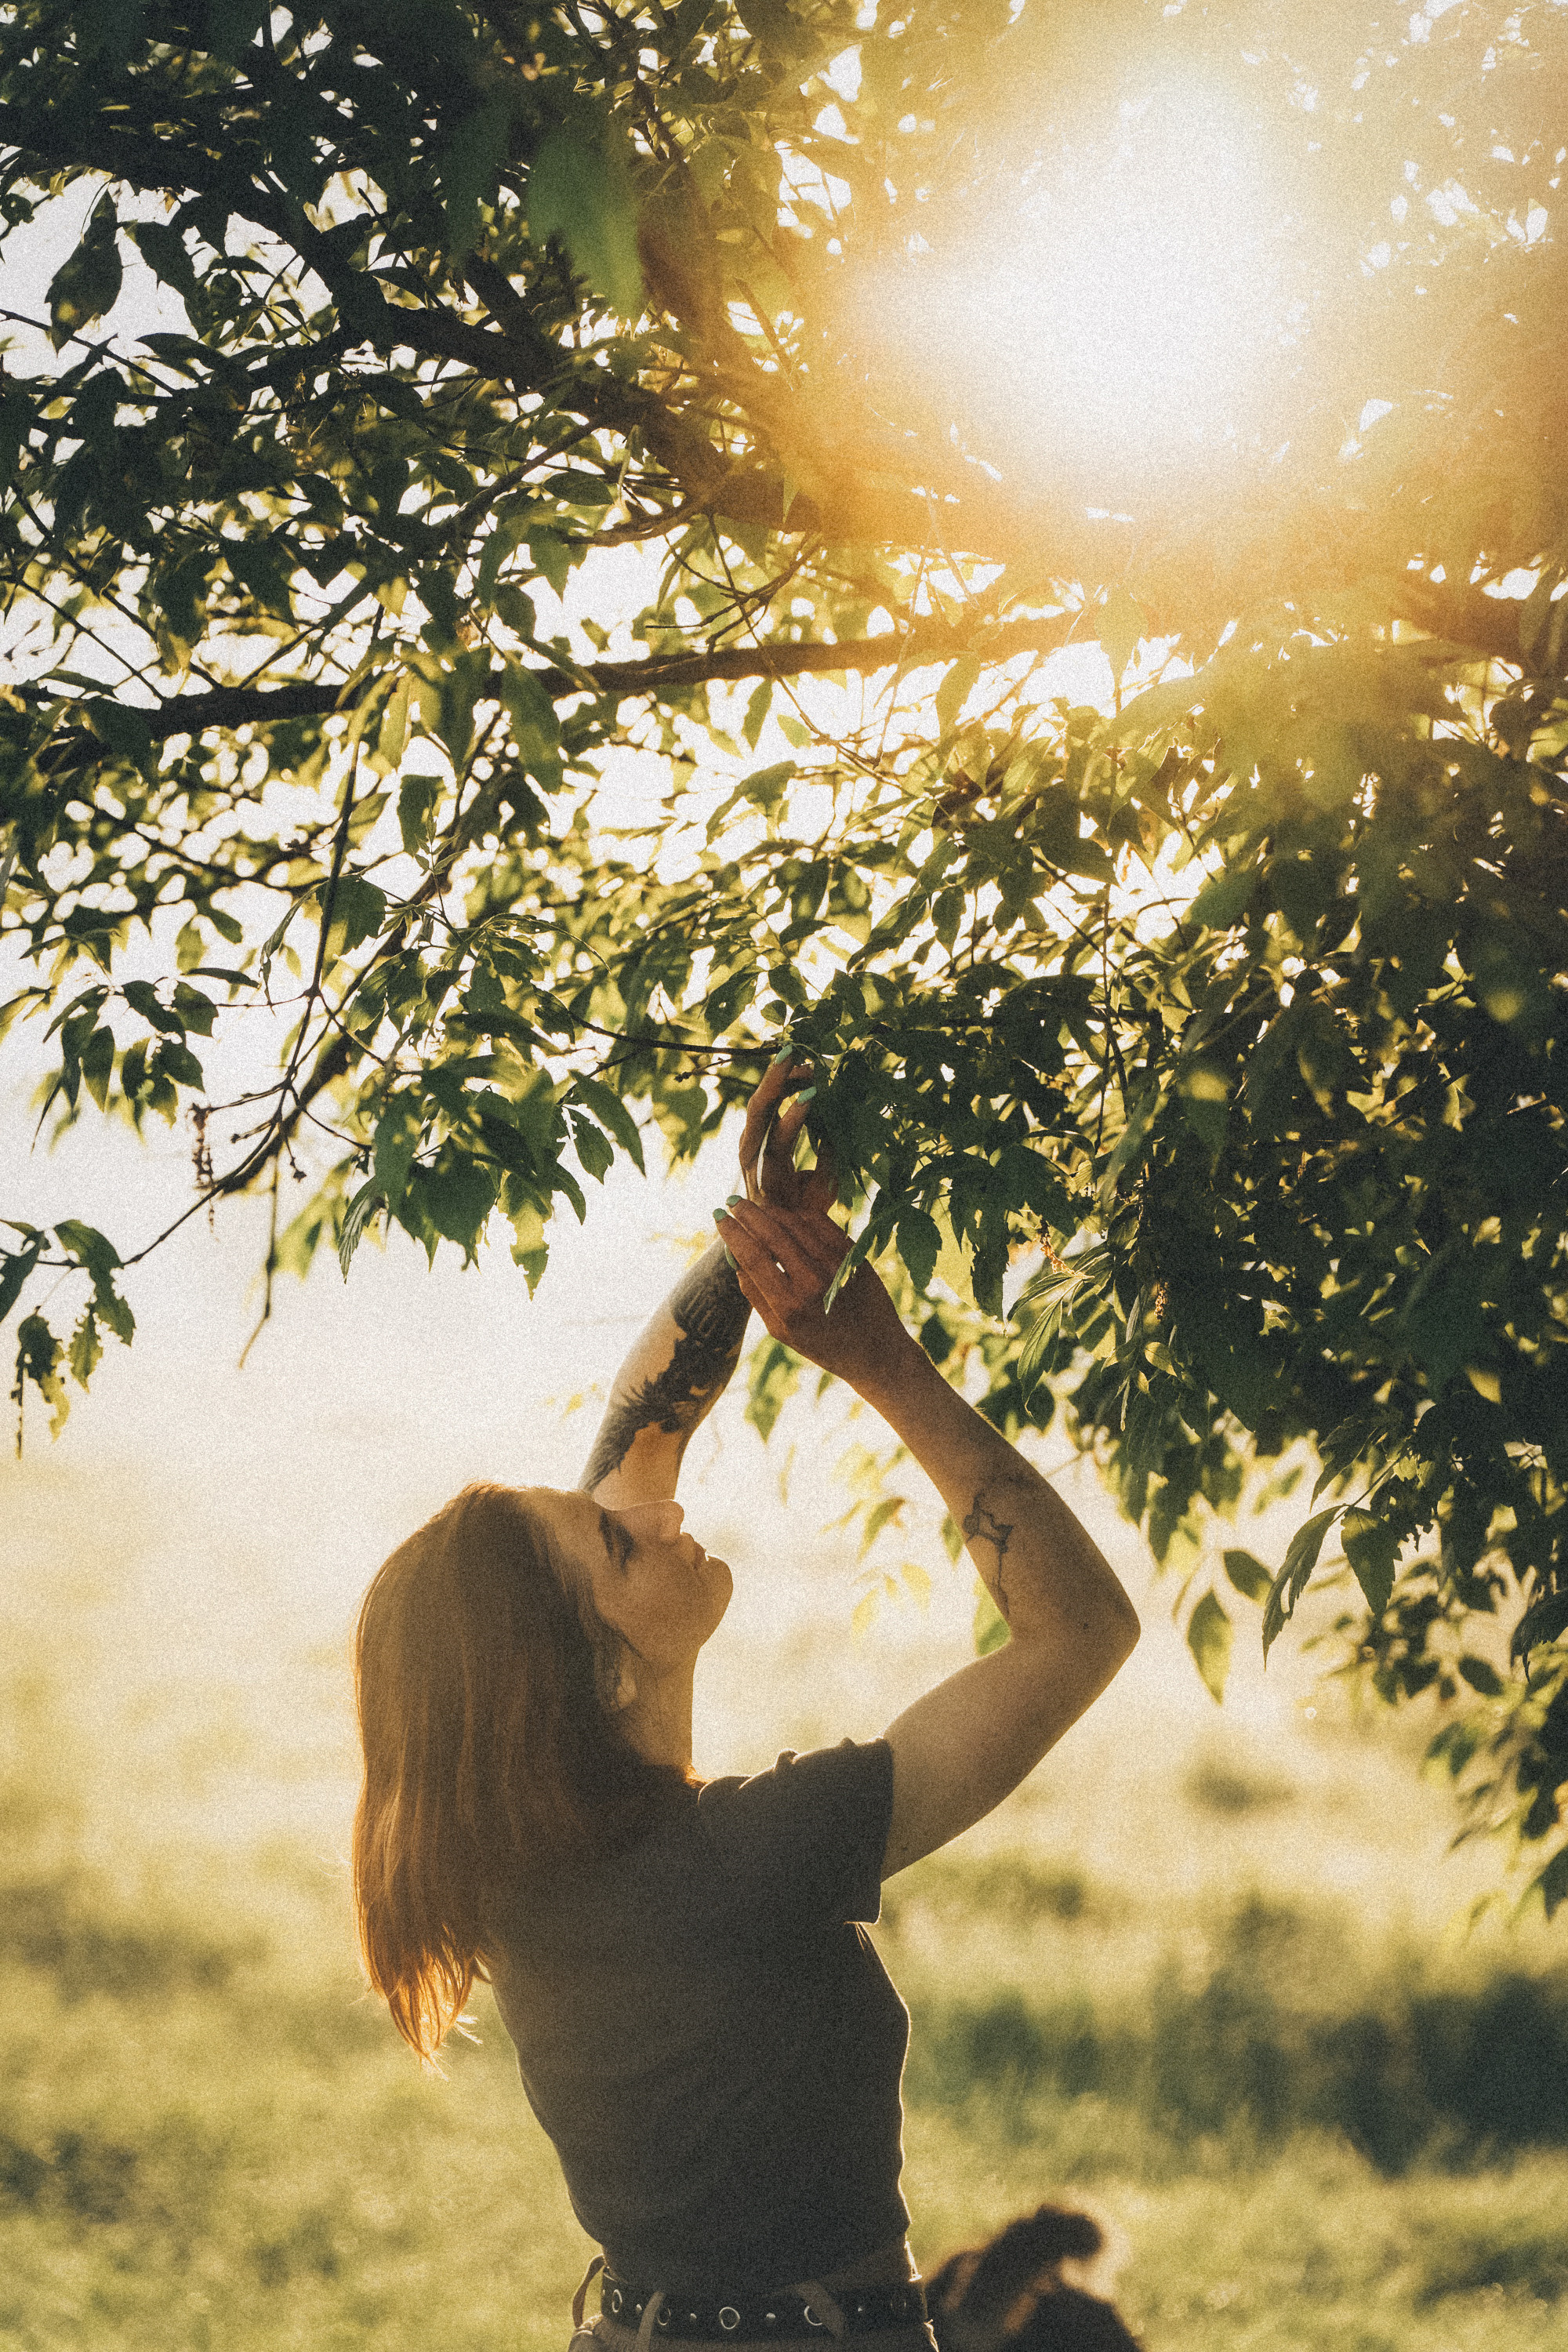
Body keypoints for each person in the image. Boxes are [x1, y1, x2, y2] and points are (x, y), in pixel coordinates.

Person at [352, 1057, 1141, 2352]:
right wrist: (884, 1363)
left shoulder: (515, 1865)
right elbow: (1081, 1630)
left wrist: (759, 1244)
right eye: (615, 1543)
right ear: (598, 1676)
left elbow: (636, 1426)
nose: (648, 1507)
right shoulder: (753, 1854)